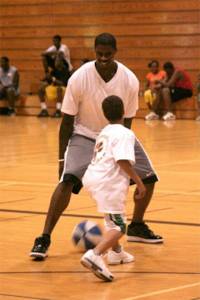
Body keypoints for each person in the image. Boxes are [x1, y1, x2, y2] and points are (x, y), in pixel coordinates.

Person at [30, 32, 163, 260]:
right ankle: (44, 237)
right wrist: (61, 159)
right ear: (95, 52)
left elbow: (127, 122)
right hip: (84, 134)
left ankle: (137, 226)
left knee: (149, 177)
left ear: (115, 53)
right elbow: (67, 121)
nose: (103, 58)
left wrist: (122, 152)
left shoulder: (129, 79)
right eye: (99, 54)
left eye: (108, 54)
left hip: (114, 133)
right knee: (67, 180)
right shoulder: (79, 78)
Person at [81, 95, 146, 282]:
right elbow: (122, 160)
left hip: (93, 178)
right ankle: (95, 254)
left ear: (104, 114)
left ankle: (116, 253)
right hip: (108, 182)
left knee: (111, 220)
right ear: (124, 112)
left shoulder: (105, 131)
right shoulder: (125, 133)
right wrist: (139, 182)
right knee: (119, 226)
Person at [37, 52, 70, 118]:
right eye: (56, 61)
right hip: (55, 88)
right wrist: (45, 81)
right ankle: (44, 109)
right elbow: (49, 81)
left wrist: (53, 79)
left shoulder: (65, 70)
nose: (56, 62)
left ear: (61, 62)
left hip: (64, 89)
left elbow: (63, 83)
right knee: (41, 88)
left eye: (58, 60)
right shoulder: (54, 71)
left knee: (59, 88)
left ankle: (58, 110)